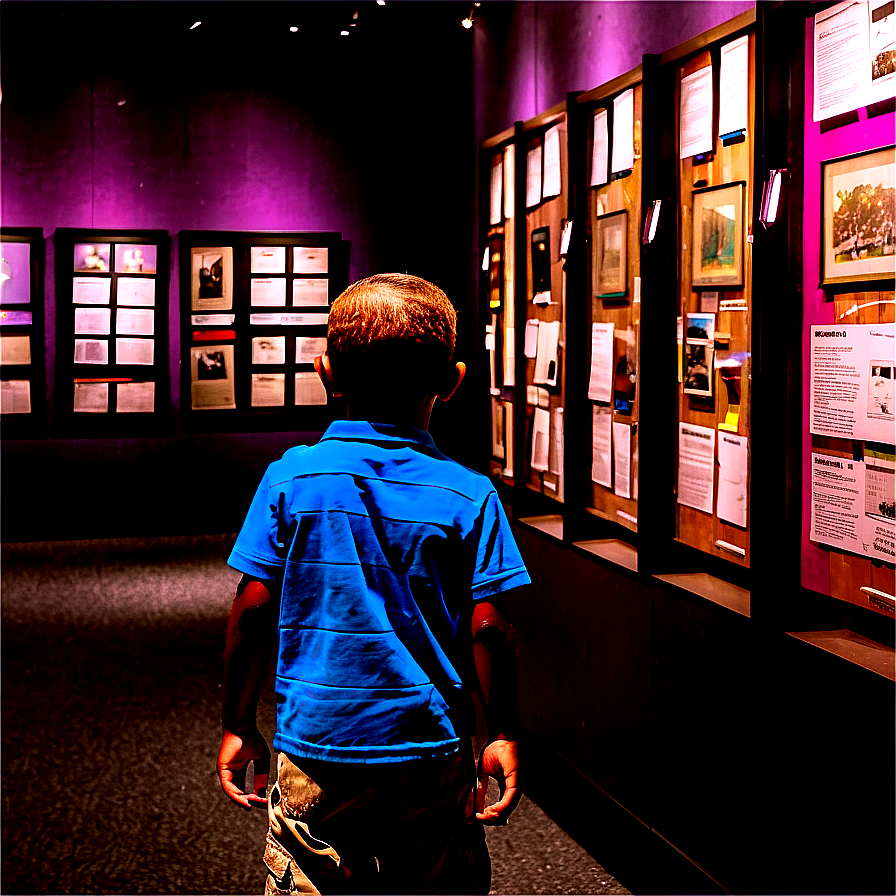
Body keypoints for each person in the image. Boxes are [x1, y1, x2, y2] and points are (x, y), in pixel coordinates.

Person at [217, 273, 530, 895]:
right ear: (453, 381)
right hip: (430, 747)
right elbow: (488, 626)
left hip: (317, 745)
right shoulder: (469, 492)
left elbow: (253, 611)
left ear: (324, 371)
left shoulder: (290, 480)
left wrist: (236, 721)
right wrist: (501, 732)